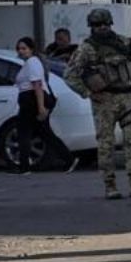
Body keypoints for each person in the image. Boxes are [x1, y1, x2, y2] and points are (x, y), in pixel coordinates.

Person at [64, 9, 131, 199]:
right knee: (106, 144)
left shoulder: (125, 43)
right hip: (104, 101)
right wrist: (88, 93)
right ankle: (110, 185)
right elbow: (70, 75)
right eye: (98, 25)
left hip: (126, 98)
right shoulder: (86, 49)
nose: (102, 28)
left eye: (105, 23)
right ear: (92, 27)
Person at [11, 37, 78, 175]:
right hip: (30, 99)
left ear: (31, 49)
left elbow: (37, 85)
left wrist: (41, 107)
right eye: (19, 48)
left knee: (24, 131)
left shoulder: (33, 62)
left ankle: (24, 167)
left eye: (24, 48)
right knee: (44, 133)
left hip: (31, 100)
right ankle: (69, 159)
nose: (21, 51)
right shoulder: (29, 63)